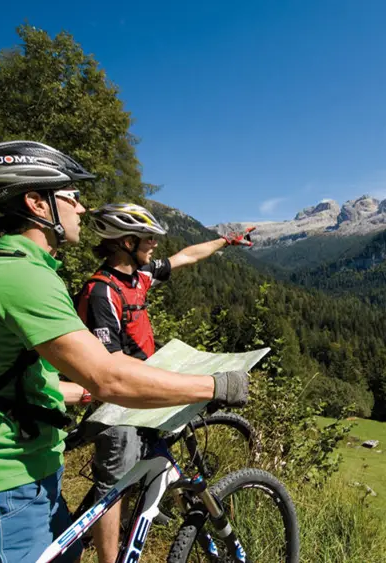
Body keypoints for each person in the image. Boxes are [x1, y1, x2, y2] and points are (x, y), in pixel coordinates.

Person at [0, 140, 250, 563]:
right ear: (36, 203)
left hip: (16, 482)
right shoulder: (25, 276)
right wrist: (216, 383)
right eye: (71, 196)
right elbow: (108, 374)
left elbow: (4, 379)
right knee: (114, 482)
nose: (81, 208)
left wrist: (225, 241)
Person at [61, 202, 253, 563]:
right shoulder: (102, 291)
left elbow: (184, 257)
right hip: (116, 400)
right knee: (111, 488)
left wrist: (225, 241)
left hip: (141, 391)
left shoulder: (141, 274)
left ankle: (131, 522)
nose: (154, 245)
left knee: (136, 470)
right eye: (148, 238)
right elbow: (108, 364)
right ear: (125, 242)